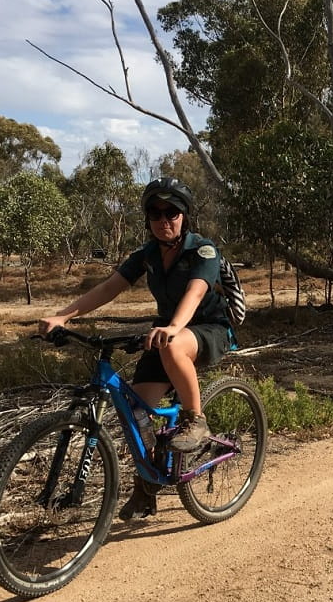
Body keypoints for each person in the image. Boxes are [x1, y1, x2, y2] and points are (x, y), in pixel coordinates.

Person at [38, 177, 233, 520]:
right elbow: (109, 287)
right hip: (166, 333)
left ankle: (195, 420)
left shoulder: (202, 250)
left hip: (206, 329)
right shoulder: (147, 255)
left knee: (171, 347)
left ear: (184, 216)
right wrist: (63, 316)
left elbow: (197, 292)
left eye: (172, 212)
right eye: (155, 213)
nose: (164, 220)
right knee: (137, 412)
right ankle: (147, 486)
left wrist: (174, 327)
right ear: (147, 218)